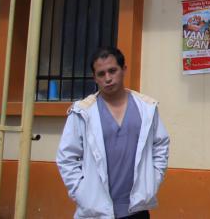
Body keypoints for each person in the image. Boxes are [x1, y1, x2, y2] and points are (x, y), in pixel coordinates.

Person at [57, 47, 169, 219]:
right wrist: (81, 192)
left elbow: (160, 144)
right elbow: (67, 157)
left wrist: (153, 180)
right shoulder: (83, 112)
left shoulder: (146, 108)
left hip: (136, 209)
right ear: (95, 78)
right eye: (101, 74)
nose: (108, 78)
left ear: (123, 70)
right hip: (96, 210)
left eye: (112, 71)